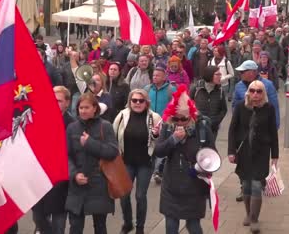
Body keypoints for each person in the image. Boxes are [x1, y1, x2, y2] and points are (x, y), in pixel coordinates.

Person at [154, 85, 215, 234]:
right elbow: (159, 151)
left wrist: (201, 166)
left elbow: (212, 155)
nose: (180, 122)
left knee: (193, 226)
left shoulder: (202, 129)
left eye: (184, 119)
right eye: (176, 119)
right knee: (171, 226)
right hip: (171, 186)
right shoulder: (168, 128)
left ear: (191, 116)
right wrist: (173, 139)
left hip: (195, 186)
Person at [228, 80, 279, 233]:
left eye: (259, 91)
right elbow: (232, 130)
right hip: (244, 153)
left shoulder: (269, 109)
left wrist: (275, 155)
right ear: (248, 92)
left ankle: (254, 219)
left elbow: (273, 132)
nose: (255, 94)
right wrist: (231, 151)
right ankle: (248, 214)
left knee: (257, 185)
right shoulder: (239, 107)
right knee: (246, 185)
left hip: (261, 153)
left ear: (263, 93)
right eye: (252, 90)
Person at [65, 93, 119, 234]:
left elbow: (112, 152)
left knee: (100, 226)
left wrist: (90, 143)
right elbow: (67, 156)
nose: (83, 110)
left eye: (86, 107)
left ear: (95, 108)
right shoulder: (72, 128)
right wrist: (74, 175)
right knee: (75, 227)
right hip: (77, 186)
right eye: (80, 108)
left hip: (99, 184)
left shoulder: (105, 126)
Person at [113, 89, 162, 234]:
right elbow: (113, 134)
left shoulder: (154, 117)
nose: (137, 103)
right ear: (130, 101)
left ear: (146, 103)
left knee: (140, 196)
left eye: (141, 101)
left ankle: (140, 227)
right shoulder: (122, 115)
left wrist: (156, 135)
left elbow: (160, 141)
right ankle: (127, 223)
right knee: (124, 195)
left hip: (145, 163)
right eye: (134, 100)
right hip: (126, 162)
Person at [32, 86, 75, 234]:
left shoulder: (72, 124)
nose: (54, 103)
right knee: (38, 217)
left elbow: (74, 152)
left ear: (67, 102)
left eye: (58, 101)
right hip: (40, 175)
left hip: (60, 179)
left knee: (59, 222)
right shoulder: (39, 119)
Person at [191, 66, 227, 141]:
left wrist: (216, 121)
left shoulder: (220, 91)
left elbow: (224, 109)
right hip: (197, 126)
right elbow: (189, 104)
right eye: (217, 74)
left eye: (220, 74)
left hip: (212, 128)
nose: (220, 76)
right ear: (209, 75)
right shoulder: (196, 88)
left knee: (210, 149)